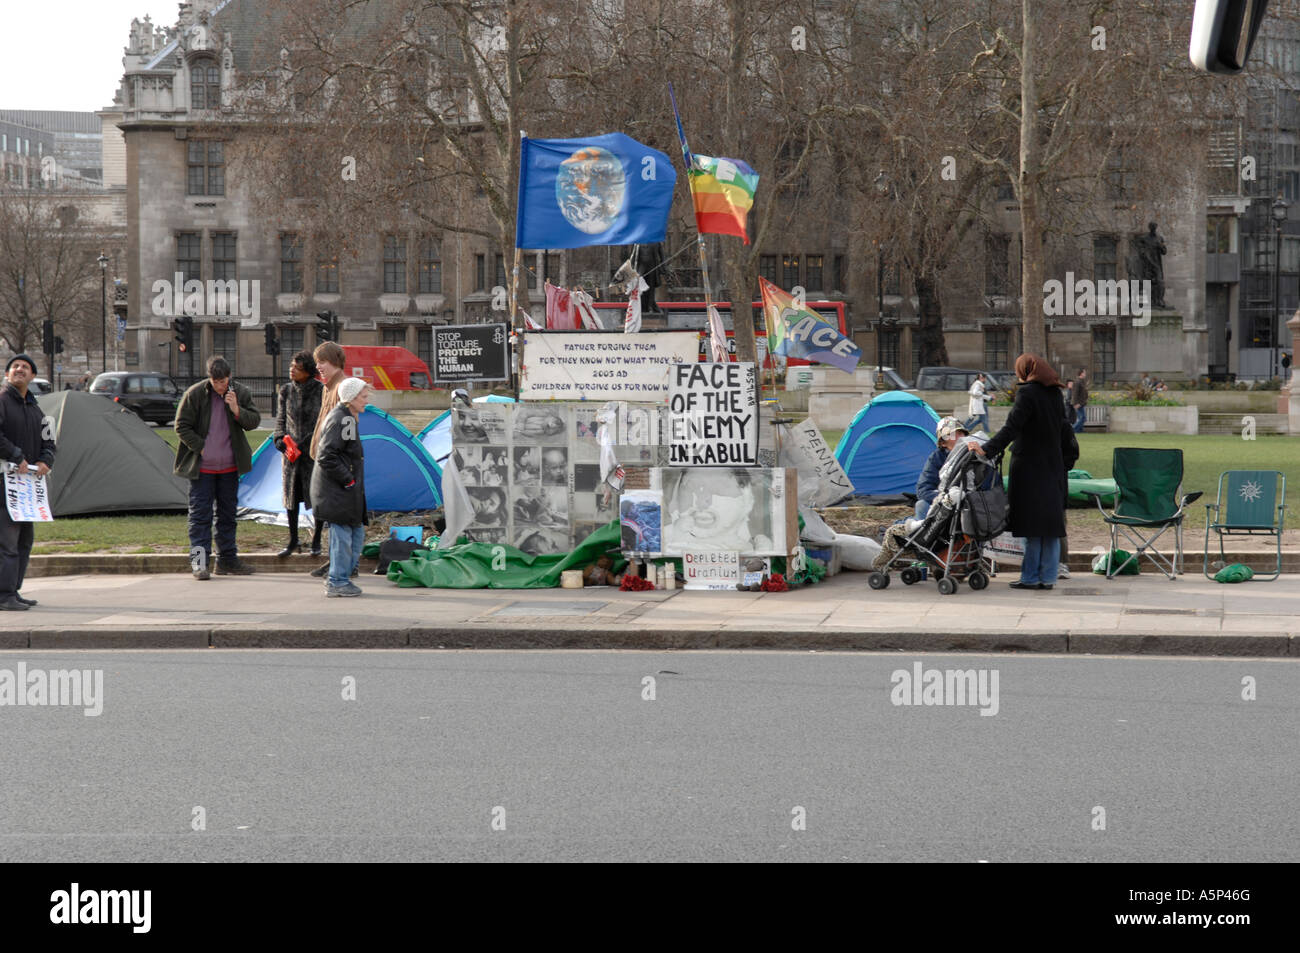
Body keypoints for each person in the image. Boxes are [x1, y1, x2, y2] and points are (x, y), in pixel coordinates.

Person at [968, 353, 1069, 590]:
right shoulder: (1055, 393)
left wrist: (986, 450)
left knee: (1032, 526)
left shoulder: (1027, 393)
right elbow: (1064, 430)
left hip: (1030, 468)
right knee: (1050, 526)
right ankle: (1048, 577)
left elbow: (1011, 428)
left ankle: (1031, 577)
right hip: (1053, 466)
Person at [174, 355, 261, 579]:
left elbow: (253, 422)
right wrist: (201, 447)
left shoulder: (239, 392)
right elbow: (181, 426)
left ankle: (227, 561)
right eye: (215, 381)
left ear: (229, 377)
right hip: (202, 469)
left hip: (229, 468)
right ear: (209, 378)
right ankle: (199, 563)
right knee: (199, 516)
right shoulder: (195, 394)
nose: (219, 386)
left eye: (223, 381)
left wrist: (236, 408)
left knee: (227, 516)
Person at [0, 354, 56, 610]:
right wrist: (16, 455)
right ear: (8, 374)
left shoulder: (37, 409)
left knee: (24, 541)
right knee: (7, 542)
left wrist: (46, 460)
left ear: (32, 376)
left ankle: (14, 590)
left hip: (27, 490)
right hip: (5, 486)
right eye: (15, 367)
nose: (19, 369)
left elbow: (50, 440)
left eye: (25, 367)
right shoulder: (1, 400)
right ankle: (4, 595)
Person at [311, 377, 371, 597]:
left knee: (354, 534)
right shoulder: (343, 420)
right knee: (343, 538)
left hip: (341, 491)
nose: (366, 401)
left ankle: (340, 578)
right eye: (363, 397)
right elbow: (327, 456)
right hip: (337, 491)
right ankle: (337, 581)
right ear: (351, 398)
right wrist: (349, 480)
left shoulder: (346, 417)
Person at [273, 350, 324, 558]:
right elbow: (280, 419)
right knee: (291, 497)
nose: (291, 370)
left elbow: (322, 421)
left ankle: (317, 539)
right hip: (290, 453)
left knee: (316, 496)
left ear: (308, 371)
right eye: (291, 366)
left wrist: (306, 443)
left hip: (312, 452)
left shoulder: (321, 390)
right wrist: (279, 438)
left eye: (297, 367)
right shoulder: (286, 391)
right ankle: (293, 539)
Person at [309, 342, 347, 578]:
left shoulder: (343, 388)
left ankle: (342, 565)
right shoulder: (327, 387)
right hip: (324, 460)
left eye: (322, 361)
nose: (318, 366)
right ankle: (337, 560)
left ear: (335, 361)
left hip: (334, 462)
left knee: (339, 517)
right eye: (317, 362)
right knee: (331, 516)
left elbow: (343, 430)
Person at [915, 417, 969, 519]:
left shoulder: (976, 454)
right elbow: (923, 489)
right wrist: (944, 498)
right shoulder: (936, 458)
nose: (959, 438)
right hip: (943, 507)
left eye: (961, 433)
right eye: (952, 435)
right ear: (943, 443)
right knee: (922, 505)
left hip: (970, 506)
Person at [1071, 367, 1089, 434]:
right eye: (1084, 372)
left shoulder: (1082, 382)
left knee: (1082, 418)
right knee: (1082, 418)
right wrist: (1075, 404)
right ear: (1081, 373)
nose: (1085, 374)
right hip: (1078, 404)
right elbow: (1074, 393)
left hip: (1081, 403)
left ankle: (1079, 431)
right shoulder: (1077, 382)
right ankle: (1072, 430)